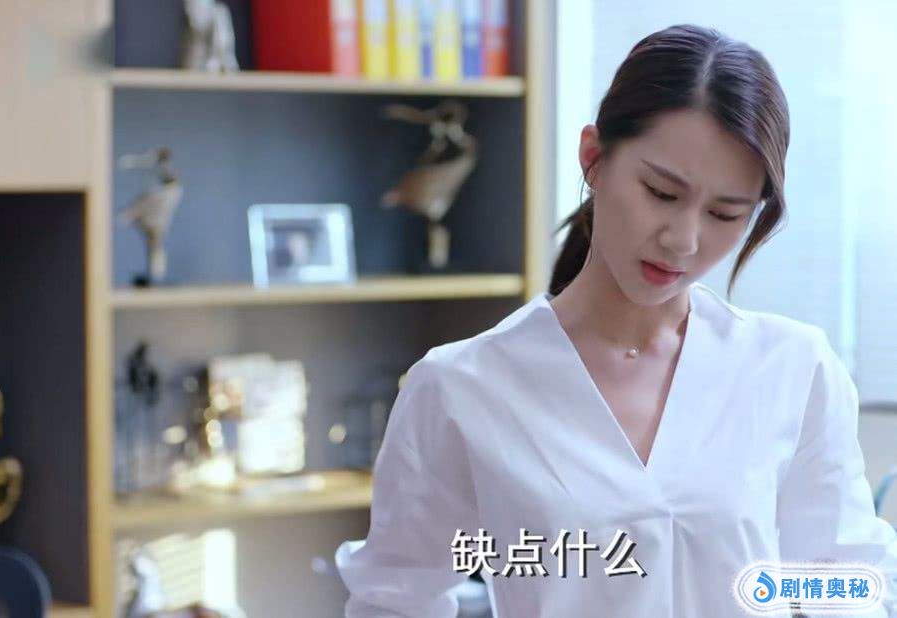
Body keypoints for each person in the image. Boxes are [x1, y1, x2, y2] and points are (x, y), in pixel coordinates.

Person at [334, 24, 897, 617]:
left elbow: (852, 580)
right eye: (661, 193)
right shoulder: (461, 386)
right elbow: (395, 601)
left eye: (725, 214)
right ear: (594, 158)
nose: (683, 241)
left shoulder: (793, 368)